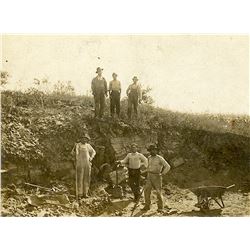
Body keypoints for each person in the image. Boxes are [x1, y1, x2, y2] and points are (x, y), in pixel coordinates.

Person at [141, 144, 171, 212]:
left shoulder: (160, 158)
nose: (152, 151)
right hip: (149, 176)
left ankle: (160, 207)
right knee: (146, 191)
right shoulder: (149, 158)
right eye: (151, 150)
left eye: (154, 150)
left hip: (157, 176)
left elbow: (168, 166)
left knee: (158, 192)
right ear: (150, 151)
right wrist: (143, 172)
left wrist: (162, 173)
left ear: (156, 150)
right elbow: (148, 167)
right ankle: (147, 206)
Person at [71, 134, 96, 198]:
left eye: (85, 138)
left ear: (87, 139)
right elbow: (74, 153)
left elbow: (94, 152)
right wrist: (75, 158)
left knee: (87, 178)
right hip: (80, 163)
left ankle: (85, 193)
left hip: (87, 163)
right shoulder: (77, 145)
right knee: (80, 178)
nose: (84, 140)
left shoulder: (88, 145)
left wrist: (91, 158)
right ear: (80, 139)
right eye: (83, 138)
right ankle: (80, 194)